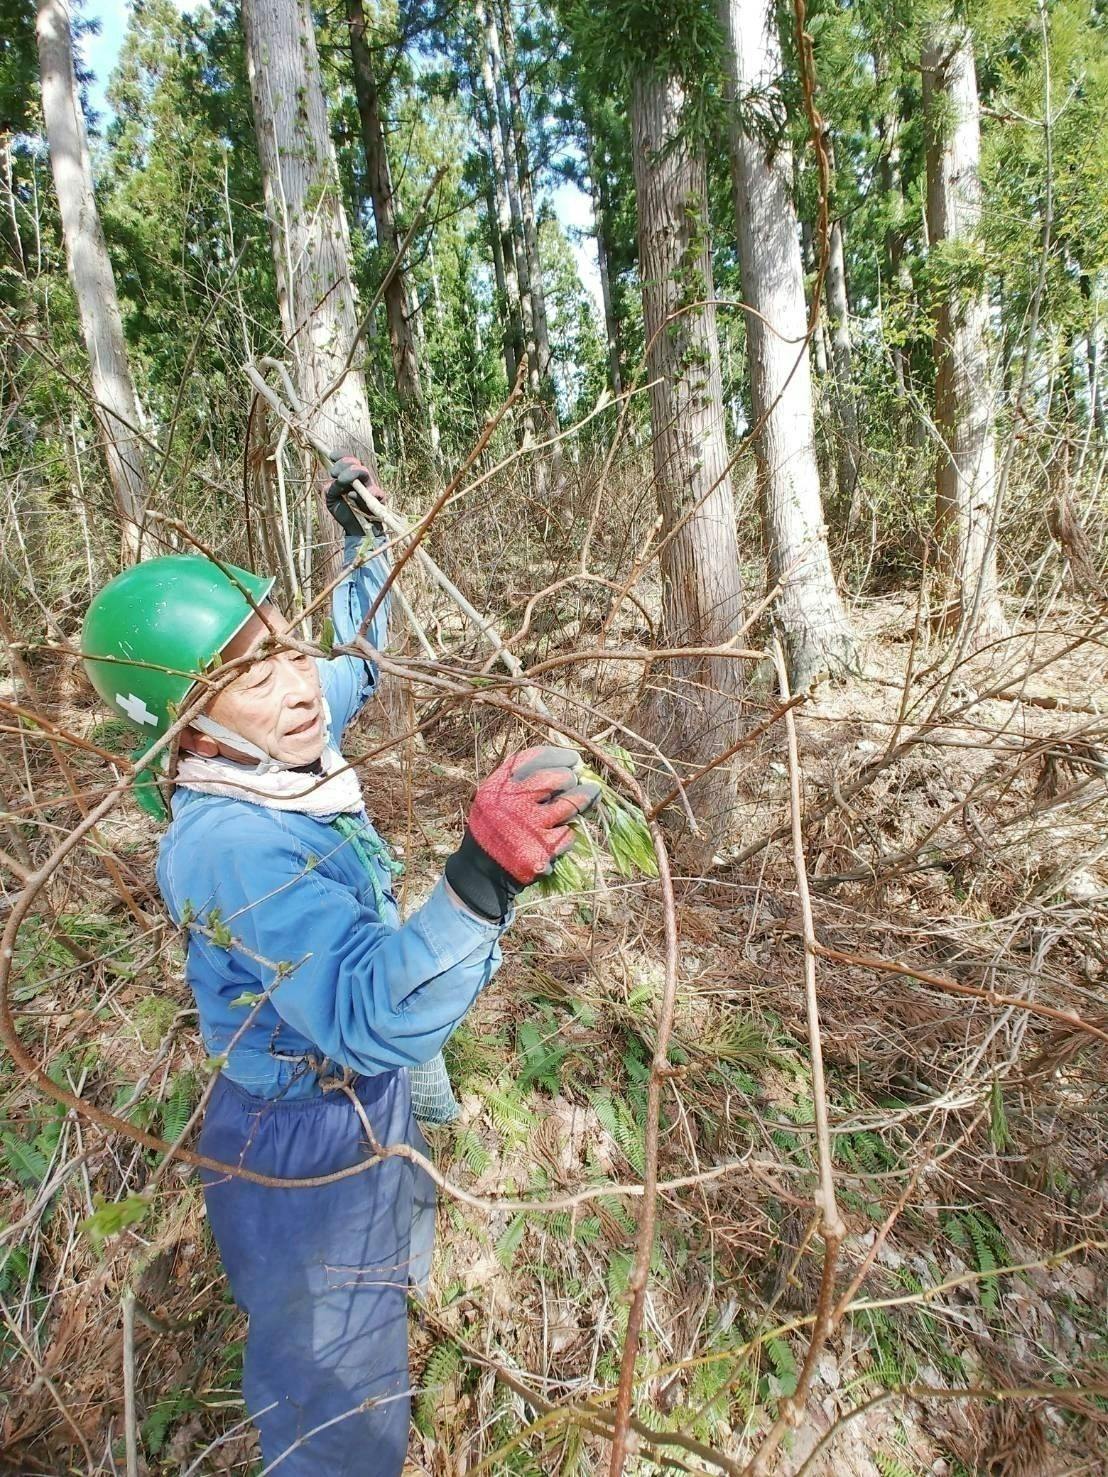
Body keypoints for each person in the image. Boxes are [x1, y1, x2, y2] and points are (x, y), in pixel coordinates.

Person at [81, 455, 600, 1475]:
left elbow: (353, 661)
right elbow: (368, 1010)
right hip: (299, 1136)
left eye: (283, 645)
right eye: (247, 673)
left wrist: (362, 543)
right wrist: (480, 879)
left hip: (364, 1092)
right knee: (336, 1392)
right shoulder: (230, 844)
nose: (293, 683)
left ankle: (394, 1291)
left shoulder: (272, 735)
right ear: (188, 731)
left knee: (386, 1258)